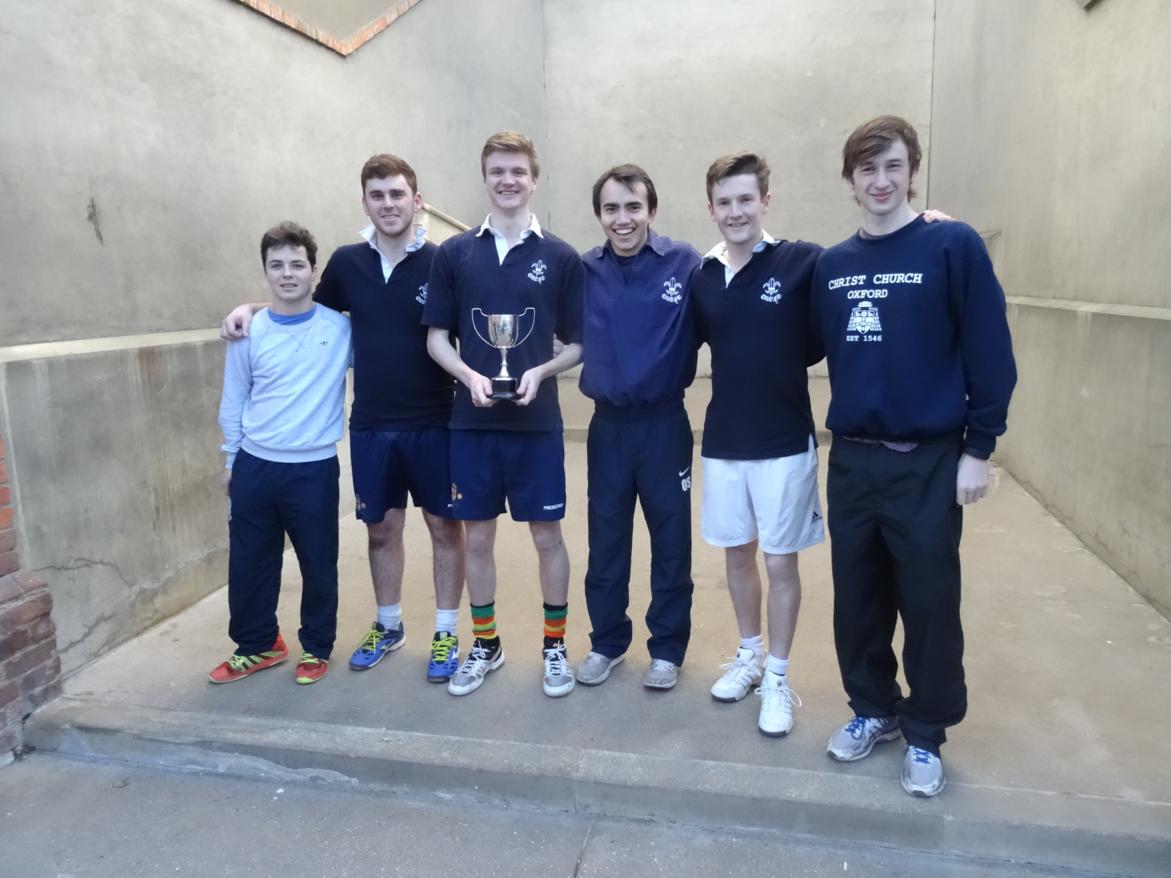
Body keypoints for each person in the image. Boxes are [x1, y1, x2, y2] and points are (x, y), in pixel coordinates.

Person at [814, 115, 1016, 797]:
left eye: (892, 166)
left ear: (912, 170)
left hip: (927, 459)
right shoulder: (832, 266)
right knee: (858, 600)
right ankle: (872, 709)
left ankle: (925, 731)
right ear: (849, 180)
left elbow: (990, 351)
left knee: (928, 600)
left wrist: (977, 449)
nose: (879, 181)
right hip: (852, 461)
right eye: (866, 169)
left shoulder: (950, 245)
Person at [219, 155, 466, 684]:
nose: (389, 204)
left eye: (398, 194)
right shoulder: (347, 263)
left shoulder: (443, 261)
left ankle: (446, 629)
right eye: (377, 195)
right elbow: (301, 309)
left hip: (436, 421)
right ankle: (388, 624)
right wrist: (249, 308)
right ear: (365, 203)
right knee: (381, 531)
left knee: (445, 528)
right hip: (372, 426)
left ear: (417, 200)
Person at [423, 131, 585, 698]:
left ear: (534, 178)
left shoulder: (561, 256)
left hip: (536, 426)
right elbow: (437, 339)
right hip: (472, 425)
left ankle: (555, 648)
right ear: (485, 177)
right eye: (497, 171)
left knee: (548, 539)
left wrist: (541, 372)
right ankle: (486, 645)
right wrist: (468, 375)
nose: (508, 180)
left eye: (518, 170)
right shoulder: (455, 253)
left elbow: (579, 343)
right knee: (480, 541)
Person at [690, 153, 824, 738]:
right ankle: (748, 655)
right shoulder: (702, 276)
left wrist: (925, 224)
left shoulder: (803, 263)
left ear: (765, 201)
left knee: (779, 560)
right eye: (725, 202)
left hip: (785, 443)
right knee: (737, 555)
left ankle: (776, 674)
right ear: (712, 208)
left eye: (746, 199)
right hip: (723, 443)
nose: (736, 211)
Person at [574, 164, 701, 691]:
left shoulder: (687, 263)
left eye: (632, 207)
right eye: (611, 209)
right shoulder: (582, 269)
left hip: (664, 424)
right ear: (599, 215)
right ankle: (606, 642)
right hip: (607, 428)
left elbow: (747, 268)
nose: (622, 219)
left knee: (671, 542)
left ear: (652, 209)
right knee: (606, 540)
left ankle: (667, 649)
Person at [210, 222, 351, 686]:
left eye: (297, 265)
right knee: (250, 560)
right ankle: (258, 645)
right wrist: (231, 459)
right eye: (277, 266)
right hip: (254, 464)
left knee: (317, 561)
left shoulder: (340, 329)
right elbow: (234, 399)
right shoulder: (248, 332)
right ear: (266, 272)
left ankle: (317, 646)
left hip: (312, 468)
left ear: (313, 270)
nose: (287, 274)